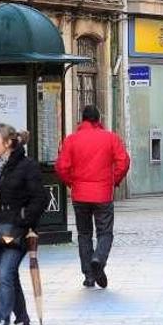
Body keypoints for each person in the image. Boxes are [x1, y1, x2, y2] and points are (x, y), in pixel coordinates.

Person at [0, 124, 47, 325]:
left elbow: (40, 199)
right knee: (10, 277)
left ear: (8, 143)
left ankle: (2, 323)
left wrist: (25, 222)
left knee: (5, 273)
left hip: (18, 232)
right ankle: (23, 322)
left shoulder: (26, 166)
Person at [56, 105, 130, 289]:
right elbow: (124, 161)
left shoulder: (71, 140)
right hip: (103, 193)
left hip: (80, 193)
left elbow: (61, 167)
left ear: (82, 119)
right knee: (105, 232)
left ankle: (89, 274)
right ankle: (98, 259)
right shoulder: (110, 138)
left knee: (84, 234)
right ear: (98, 120)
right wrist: (114, 180)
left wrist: (72, 183)